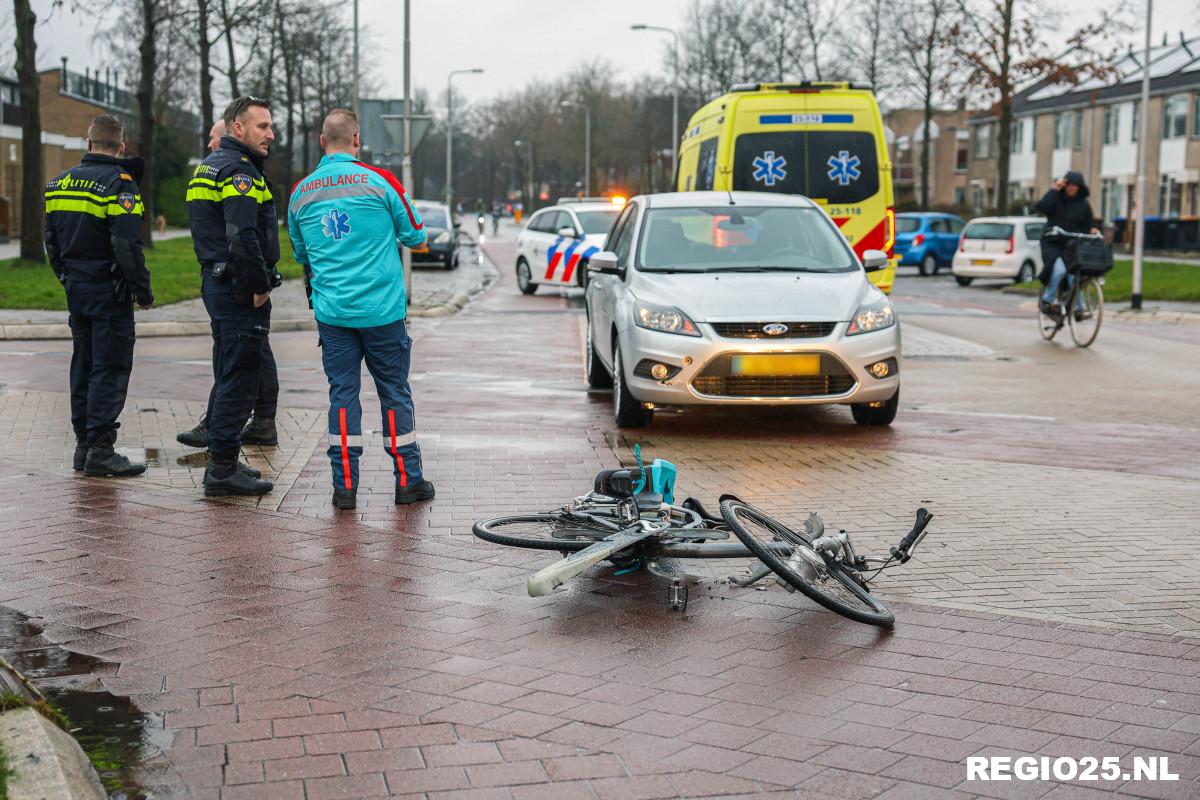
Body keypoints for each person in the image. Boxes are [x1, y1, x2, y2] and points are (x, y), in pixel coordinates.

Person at [287, 109, 434, 510]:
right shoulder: (380, 182)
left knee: (343, 396)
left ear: (322, 142)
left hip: (333, 314)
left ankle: (345, 487)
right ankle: (408, 481)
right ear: (356, 141)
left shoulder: (300, 193)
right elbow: (416, 234)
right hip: (383, 311)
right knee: (394, 394)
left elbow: (301, 252)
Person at [44, 114, 154, 477]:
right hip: (110, 293)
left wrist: (66, 276)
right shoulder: (120, 185)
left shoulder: (58, 184)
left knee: (84, 364)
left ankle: (84, 446)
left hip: (77, 289)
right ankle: (101, 449)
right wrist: (142, 290)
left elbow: (52, 242)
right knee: (110, 367)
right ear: (121, 147)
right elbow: (127, 246)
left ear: (88, 143)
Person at [186, 96, 282, 497]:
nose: (271, 134)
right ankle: (223, 468)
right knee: (239, 380)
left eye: (271, 126)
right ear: (237, 128)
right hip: (240, 290)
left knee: (229, 372)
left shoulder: (209, 167)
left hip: (219, 283)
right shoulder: (238, 172)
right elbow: (242, 235)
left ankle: (223, 461)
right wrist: (260, 285)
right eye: (262, 126)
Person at [1035, 171, 1099, 315]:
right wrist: (1055, 190)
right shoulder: (1056, 198)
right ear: (1065, 185)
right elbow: (1041, 207)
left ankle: (1077, 308)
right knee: (1059, 270)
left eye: (1075, 185)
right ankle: (1047, 299)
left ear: (1080, 187)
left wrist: (1093, 229)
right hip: (1052, 242)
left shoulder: (1083, 204)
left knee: (1075, 276)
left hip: (1071, 246)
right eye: (1069, 184)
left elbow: (1088, 222)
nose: (1072, 188)